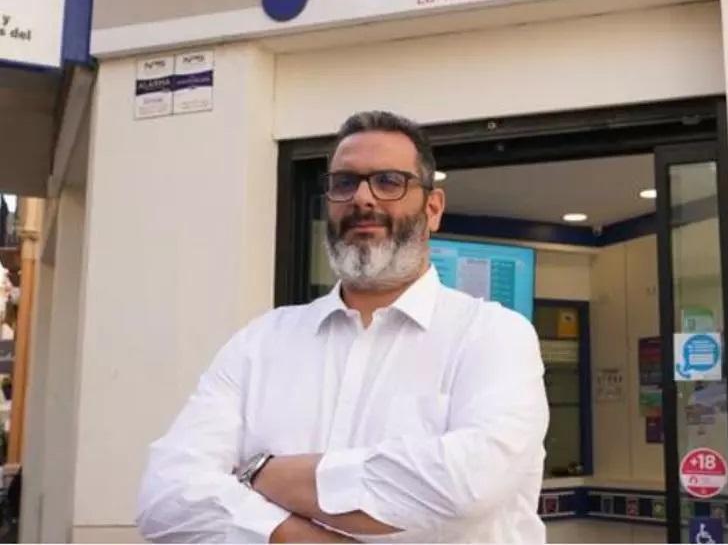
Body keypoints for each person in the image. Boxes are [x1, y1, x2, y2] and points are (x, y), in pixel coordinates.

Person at [136, 111, 549, 543]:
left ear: (432, 208)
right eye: (344, 182)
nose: (362, 199)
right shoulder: (261, 342)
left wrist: (259, 473)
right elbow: (166, 496)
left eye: (389, 181)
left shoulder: (493, 335)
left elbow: (468, 483)